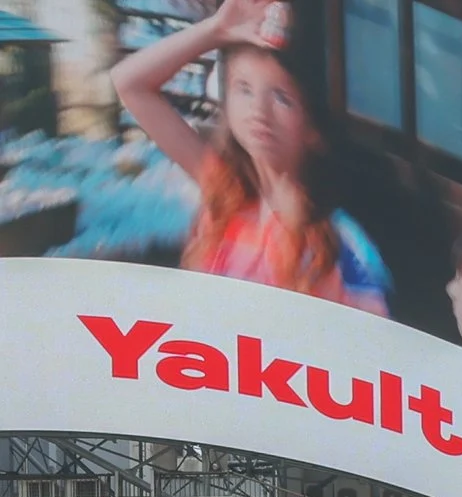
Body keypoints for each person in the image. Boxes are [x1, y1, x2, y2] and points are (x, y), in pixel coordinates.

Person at [113, 0, 393, 314]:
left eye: (282, 97)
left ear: (314, 127)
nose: (259, 111)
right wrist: (217, 30)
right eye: (244, 89)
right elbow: (129, 83)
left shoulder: (339, 242)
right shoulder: (224, 190)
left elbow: (372, 337)